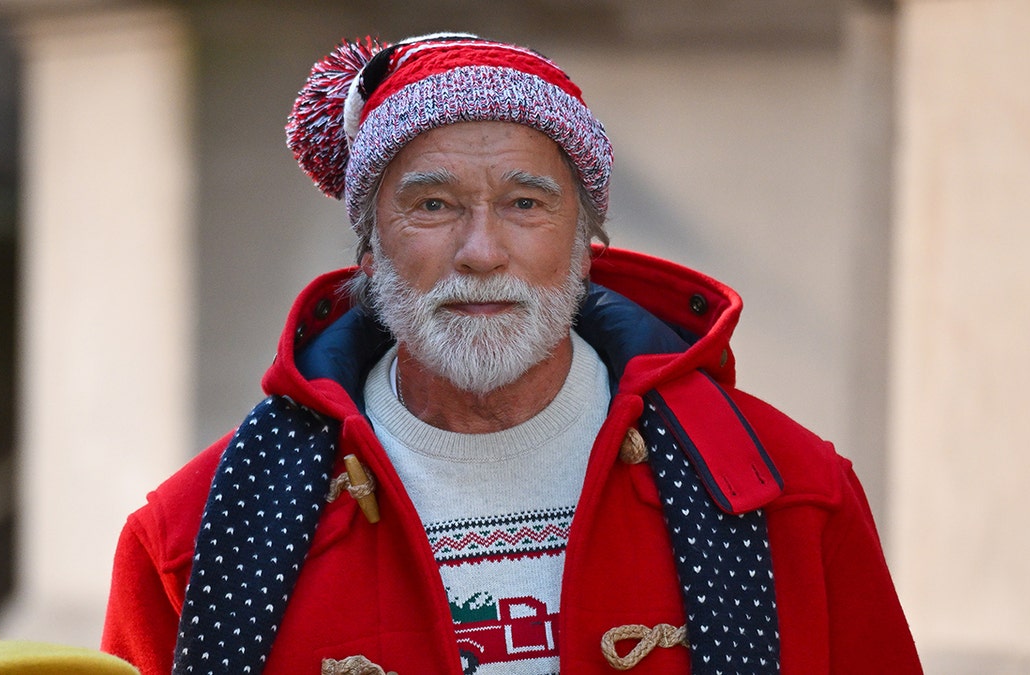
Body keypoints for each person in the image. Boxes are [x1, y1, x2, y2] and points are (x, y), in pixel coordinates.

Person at [101, 33, 922, 675]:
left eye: (526, 203)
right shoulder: (196, 537)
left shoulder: (789, 498)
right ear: (368, 249)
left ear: (585, 244)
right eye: (433, 203)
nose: (482, 251)